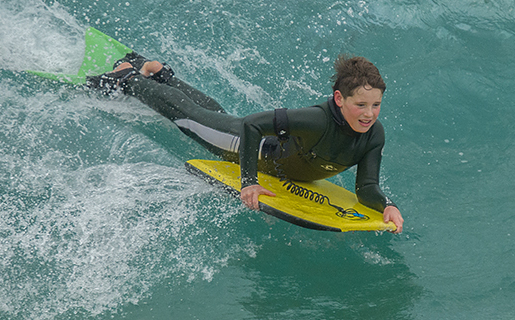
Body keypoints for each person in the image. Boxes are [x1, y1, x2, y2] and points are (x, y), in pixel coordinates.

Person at [88, 52, 404, 232]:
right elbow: (253, 125)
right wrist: (249, 182)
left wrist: (386, 205)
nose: (369, 114)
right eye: (361, 105)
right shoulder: (318, 120)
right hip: (243, 144)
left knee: (212, 115)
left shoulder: (374, 136)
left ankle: (161, 75)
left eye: (376, 105)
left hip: (269, 156)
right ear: (339, 99)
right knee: (189, 118)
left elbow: (366, 187)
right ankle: (128, 78)